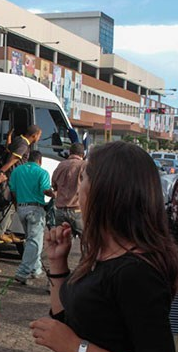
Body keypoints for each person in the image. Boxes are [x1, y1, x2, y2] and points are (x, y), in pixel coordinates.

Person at [30, 141, 178, 352]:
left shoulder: (137, 272)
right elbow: (66, 319)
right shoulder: (100, 252)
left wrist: (76, 347)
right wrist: (57, 264)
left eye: (83, 178)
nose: (77, 188)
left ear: (106, 191)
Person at [9, 150, 54, 285]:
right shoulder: (42, 172)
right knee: (34, 241)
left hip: (21, 208)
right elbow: (45, 190)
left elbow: (12, 189)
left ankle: (36, 269)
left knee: (32, 240)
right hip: (36, 209)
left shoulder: (17, 171)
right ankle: (23, 272)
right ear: (40, 161)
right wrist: (55, 194)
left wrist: (17, 205)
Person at [0, 125, 42, 242]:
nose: (39, 138)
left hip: (13, 177)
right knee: (11, 206)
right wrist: (1, 171)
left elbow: (8, 147)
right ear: (34, 135)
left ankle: (6, 230)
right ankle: (1, 232)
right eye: (39, 136)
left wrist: (9, 136)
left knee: (12, 205)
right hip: (15, 178)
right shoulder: (24, 145)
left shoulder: (18, 140)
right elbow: (13, 159)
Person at [51, 142, 85, 237]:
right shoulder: (84, 165)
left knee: (62, 243)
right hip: (77, 210)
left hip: (60, 211)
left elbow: (54, 185)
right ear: (83, 154)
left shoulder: (60, 165)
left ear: (70, 152)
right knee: (87, 241)